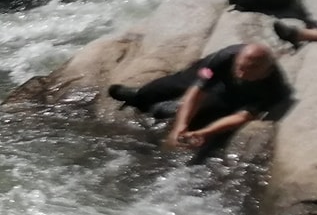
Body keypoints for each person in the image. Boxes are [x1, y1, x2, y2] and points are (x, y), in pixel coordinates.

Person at [106, 42, 292, 148]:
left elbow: (241, 117)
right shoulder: (226, 56)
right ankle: (139, 96)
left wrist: (203, 133)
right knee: (168, 86)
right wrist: (180, 126)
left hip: (236, 95)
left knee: (204, 112)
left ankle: (170, 109)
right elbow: (197, 90)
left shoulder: (273, 87)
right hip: (214, 74)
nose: (242, 73)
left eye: (250, 70)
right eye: (241, 67)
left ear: (265, 70)